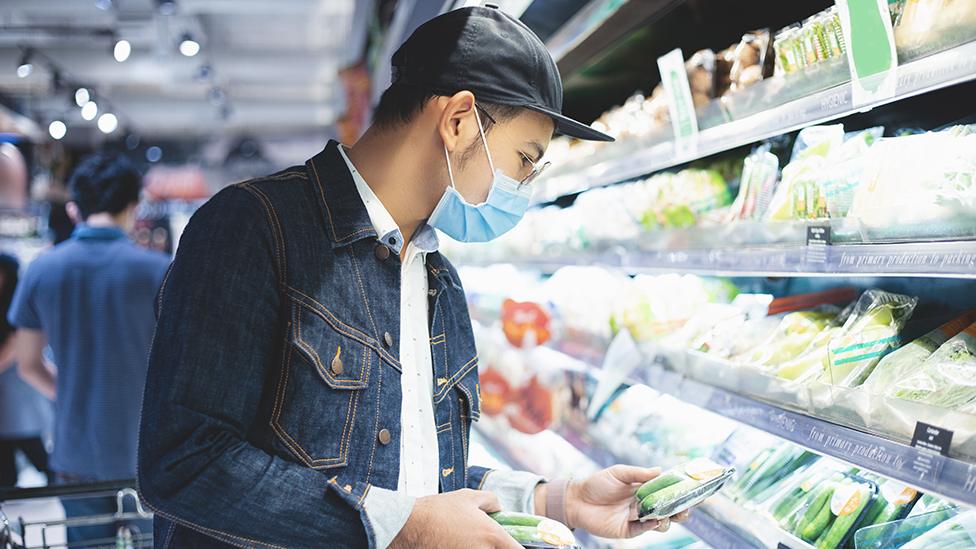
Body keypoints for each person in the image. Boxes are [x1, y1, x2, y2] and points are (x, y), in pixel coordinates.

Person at [138, 6, 689, 548]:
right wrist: (405, 528)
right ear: (457, 121)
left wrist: (558, 502)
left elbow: (412, 479)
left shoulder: (438, 283)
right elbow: (186, 462)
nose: (525, 186)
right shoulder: (256, 228)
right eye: (524, 159)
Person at [8, 154, 169, 542]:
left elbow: (27, 364)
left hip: (76, 454)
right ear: (133, 206)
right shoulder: (160, 271)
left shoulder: (42, 270)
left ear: (74, 208)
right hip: (147, 455)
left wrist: (74, 394)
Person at [0, 253, 52, 488]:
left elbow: (14, 349)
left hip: (17, 391)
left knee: (34, 450)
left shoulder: (16, 302)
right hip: (13, 393)